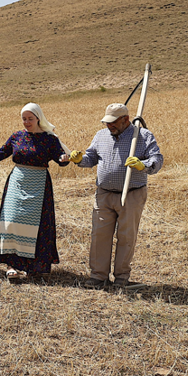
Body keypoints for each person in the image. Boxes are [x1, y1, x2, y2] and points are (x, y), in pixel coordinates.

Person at [0, 103, 70, 277]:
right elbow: (0, 153)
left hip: (39, 184)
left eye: (30, 119)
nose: (26, 122)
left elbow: (61, 159)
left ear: (38, 118)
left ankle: (33, 267)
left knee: (37, 225)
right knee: (11, 222)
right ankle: (11, 265)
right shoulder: (17, 136)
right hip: (17, 182)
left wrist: (64, 159)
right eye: (24, 119)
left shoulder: (50, 139)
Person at [68, 103, 163, 290]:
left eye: (113, 122)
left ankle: (121, 277)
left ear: (125, 119)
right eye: (107, 122)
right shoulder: (101, 135)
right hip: (104, 194)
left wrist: (142, 165)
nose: (109, 126)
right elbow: (91, 158)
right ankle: (98, 276)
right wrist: (80, 160)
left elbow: (157, 160)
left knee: (126, 236)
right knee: (99, 235)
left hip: (132, 194)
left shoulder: (143, 136)